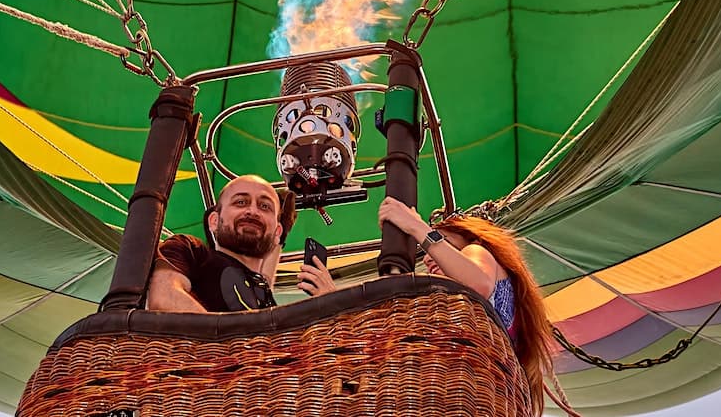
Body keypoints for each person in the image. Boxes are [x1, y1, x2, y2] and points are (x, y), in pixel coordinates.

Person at [378, 196, 554, 415]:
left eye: (442, 241)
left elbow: (478, 283)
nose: (428, 258)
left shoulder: (476, 251)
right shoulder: (468, 313)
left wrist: (418, 227)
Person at [148, 175, 335, 312]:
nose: (252, 211)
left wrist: (334, 304)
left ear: (277, 232)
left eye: (264, 206)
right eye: (240, 202)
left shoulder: (262, 296)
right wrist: (228, 343)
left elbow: (260, 287)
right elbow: (163, 299)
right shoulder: (190, 249)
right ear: (214, 221)